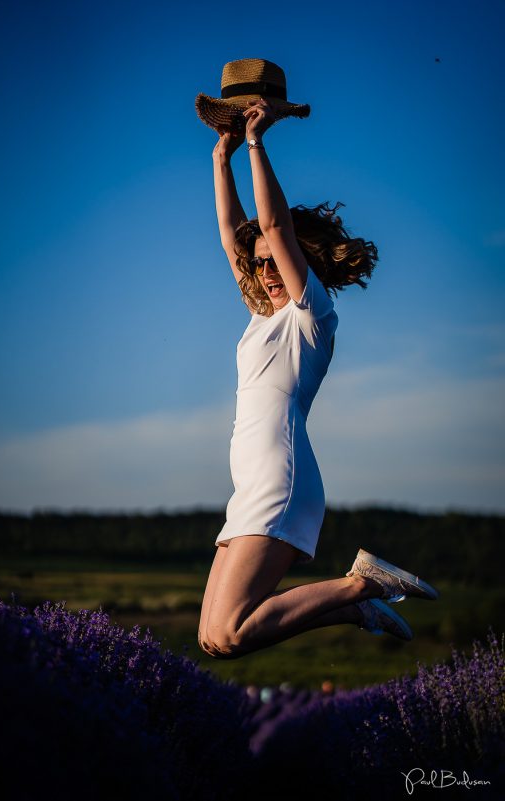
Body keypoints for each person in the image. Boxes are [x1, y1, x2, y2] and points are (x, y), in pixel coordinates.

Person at [198, 97, 438, 660]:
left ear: (300, 262)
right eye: (258, 264)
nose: (264, 271)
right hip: (249, 485)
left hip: (281, 480)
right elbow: (235, 235)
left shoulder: (312, 317)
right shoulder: (263, 317)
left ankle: (363, 583)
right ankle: (353, 606)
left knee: (233, 632)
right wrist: (220, 157)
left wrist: (256, 145)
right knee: (212, 640)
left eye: (275, 260)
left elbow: (272, 224)